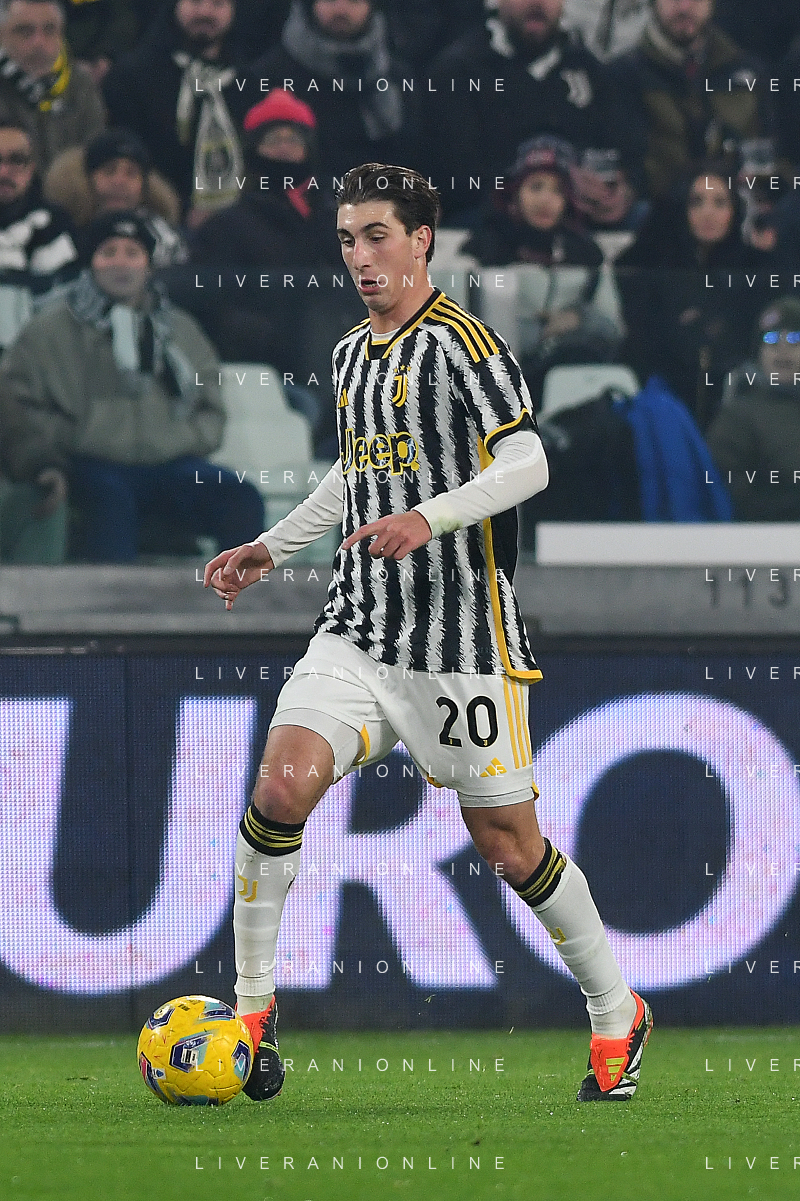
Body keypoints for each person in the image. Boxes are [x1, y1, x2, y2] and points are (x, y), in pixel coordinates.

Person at [203, 162, 653, 1104]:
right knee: (280, 787)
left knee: (509, 848)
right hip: (358, 627)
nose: (360, 256)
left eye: (377, 235)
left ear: (422, 241)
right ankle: (251, 1012)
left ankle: (617, 1011)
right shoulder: (349, 355)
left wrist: (429, 517)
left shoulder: (465, 345)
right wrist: (273, 547)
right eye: (346, 239)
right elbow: (354, 472)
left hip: (461, 645)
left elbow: (527, 462)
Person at [0, 210, 264, 560]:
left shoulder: (181, 329)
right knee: (110, 503)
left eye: (132, 253)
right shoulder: (49, 330)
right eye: (108, 252)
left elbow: (211, 407)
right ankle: (113, 599)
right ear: (90, 263)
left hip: (170, 463)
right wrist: (72, 438)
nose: (121, 264)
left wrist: (183, 437)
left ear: (148, 265)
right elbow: (19, 405)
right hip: (90, 464)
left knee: (240, 497)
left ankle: (241, 595)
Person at [420, 0, 639, 221]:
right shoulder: (457, 71)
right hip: (489, 220)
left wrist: (620, 193)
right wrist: (541, 186)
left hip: (580, 218)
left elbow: (625, 150)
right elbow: (454, 177)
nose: (537, 3)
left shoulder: (588, 69)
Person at [616, 164, 772, 429]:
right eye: (697, 202)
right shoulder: (650, 263)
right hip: (662, 397)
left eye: (720, 203)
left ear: (734, 210)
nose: (708, 213)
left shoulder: (755, 267)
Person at [234, 0, 415, 185]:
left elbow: (414, 153)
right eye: (330, 0)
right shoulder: (269, 76)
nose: (341, 9)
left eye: (354, 1)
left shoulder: (396, 76)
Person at [611, 0, 774, 200]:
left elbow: (776, 154)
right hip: (654, 209)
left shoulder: (748, 73)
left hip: (738, 207)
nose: (684, 7)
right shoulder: (623, 76)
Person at [102, 0, 245, 224]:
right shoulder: (132, 77)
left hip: (237, 220)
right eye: (195, 2)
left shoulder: (251, 81)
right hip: (155, 215)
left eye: (218, 4)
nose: (205, 12)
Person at [705, 297, 800, 521]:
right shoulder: (737, 416)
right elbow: (729, 491)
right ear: (759, 352)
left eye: (795, 339)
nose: (783, 348)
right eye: (771, 339)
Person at [44, 126, 188, 267]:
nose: (119, 182)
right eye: (109, 171)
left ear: (144, 187)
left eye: (131, 173)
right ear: (87, 180)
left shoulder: (164, 237)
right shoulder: (62, 232)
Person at [0, 0, 106, 173]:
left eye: (49, 30)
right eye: (25, 31)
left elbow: (96, 152)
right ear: (2, 35)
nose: (38, 42)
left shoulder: (79, 83)